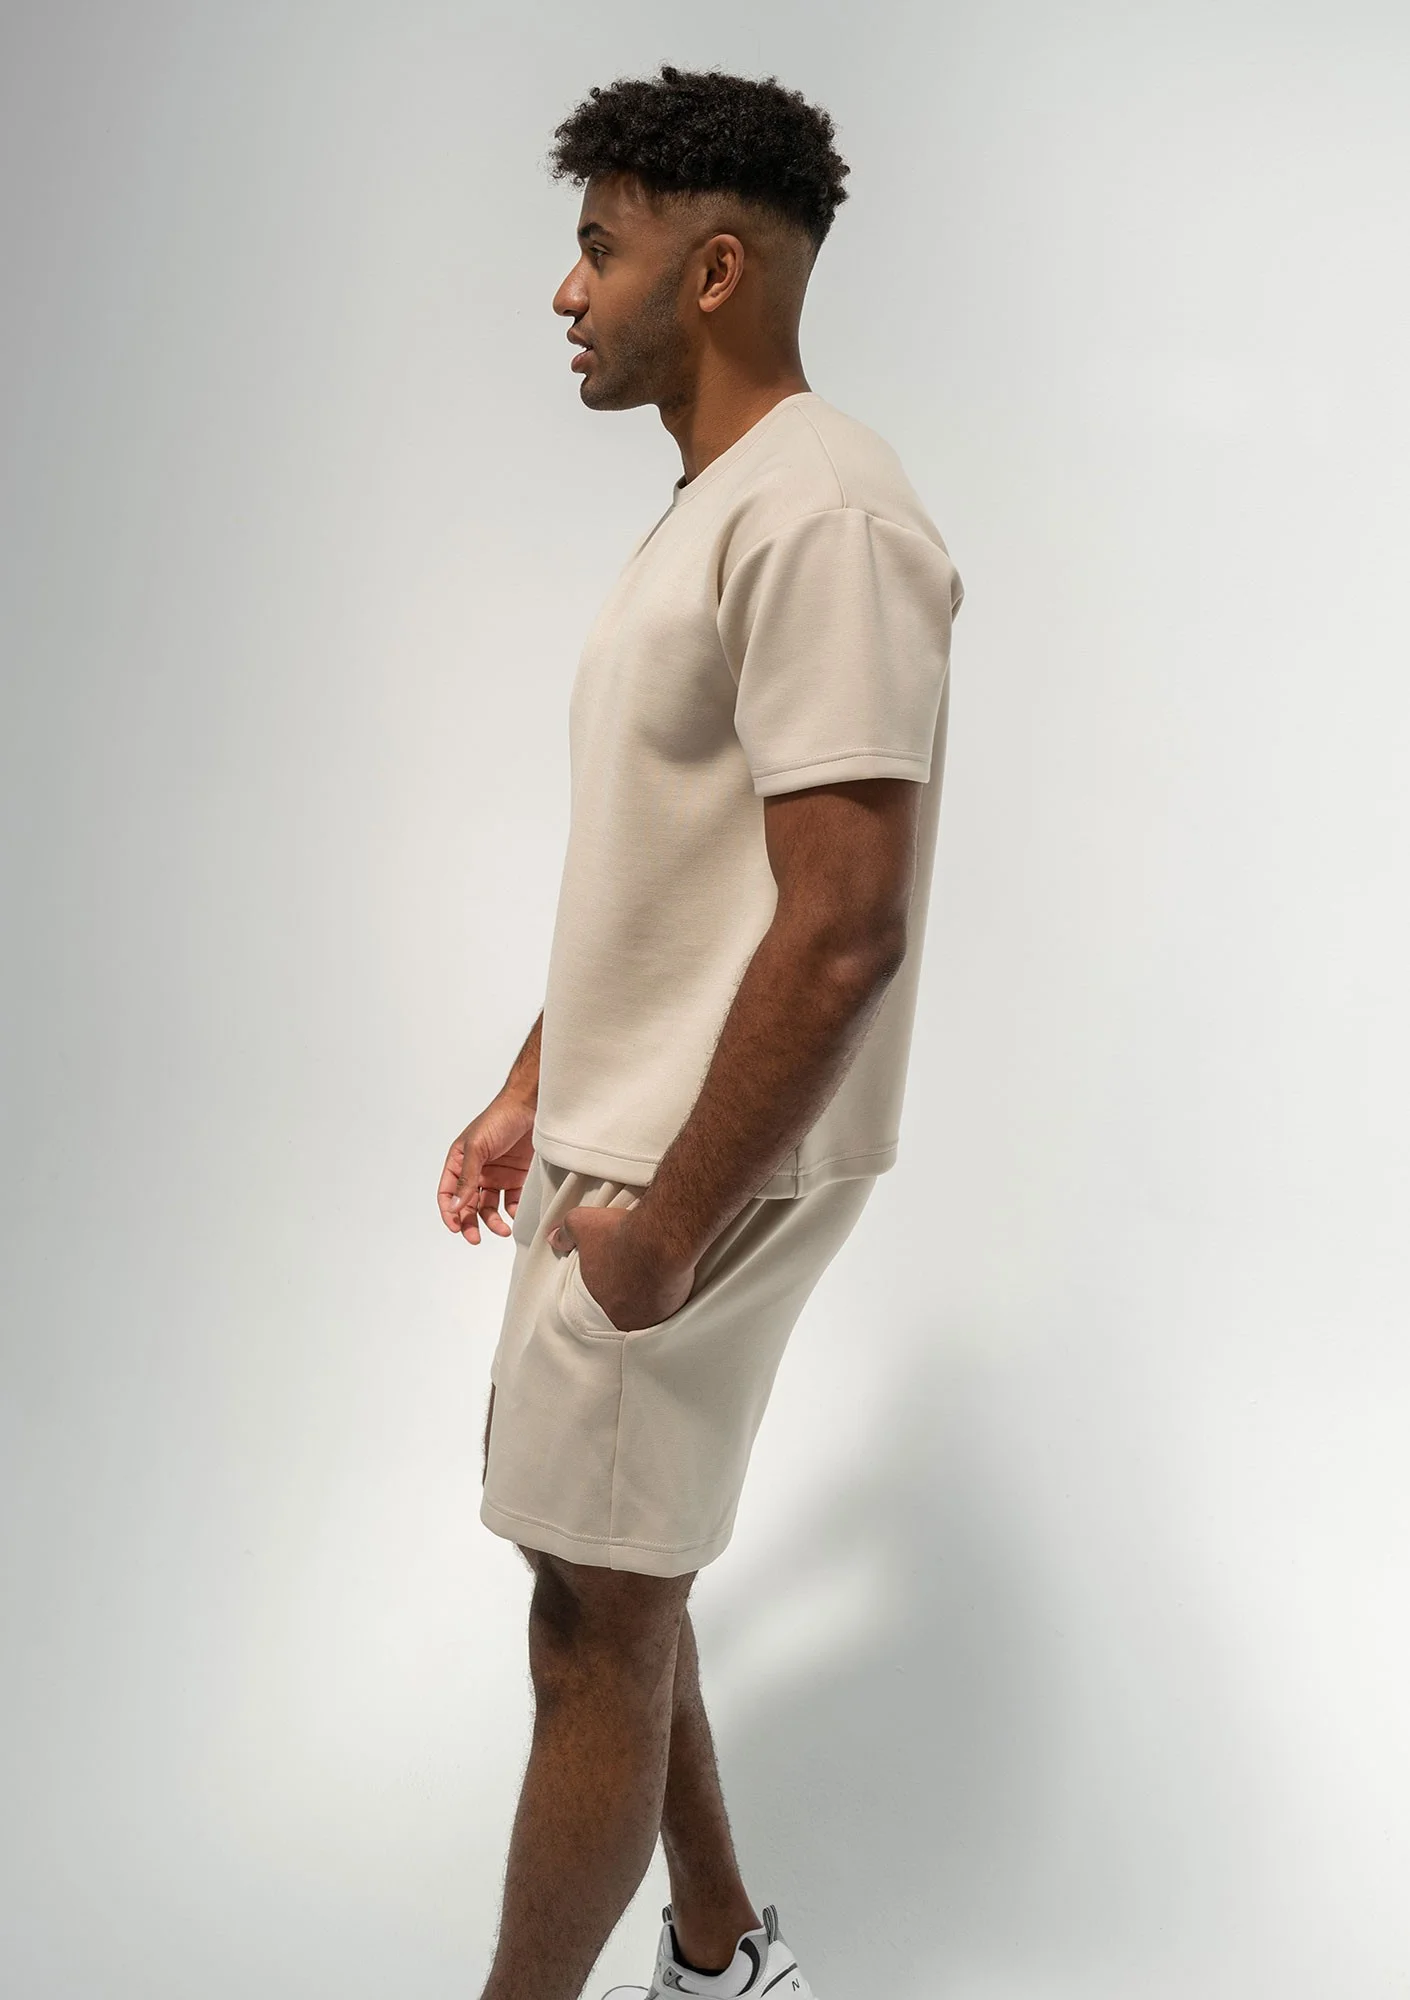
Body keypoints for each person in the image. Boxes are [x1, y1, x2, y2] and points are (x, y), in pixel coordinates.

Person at [437, 62, 964, 2000]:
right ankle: (724, 1953)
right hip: (623, 1133)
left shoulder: (824, 514)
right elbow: (679, 869)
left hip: (696, 1162)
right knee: (609, 1571)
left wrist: (666, 1228)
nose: (566, 291)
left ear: (717, 270)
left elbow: (840, 930)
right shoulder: (716, 510)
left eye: (601, 248)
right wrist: (531, 1083)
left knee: (592, 1620)